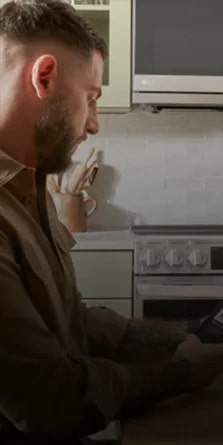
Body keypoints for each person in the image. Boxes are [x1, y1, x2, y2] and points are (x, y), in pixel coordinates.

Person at [1, 0, 223, 442]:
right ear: (43, 77)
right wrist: (185, 371)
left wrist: (187, 334)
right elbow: (52, 402)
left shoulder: (30, 185)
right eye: (92, 98)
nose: (94, 124)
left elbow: (70, 320)